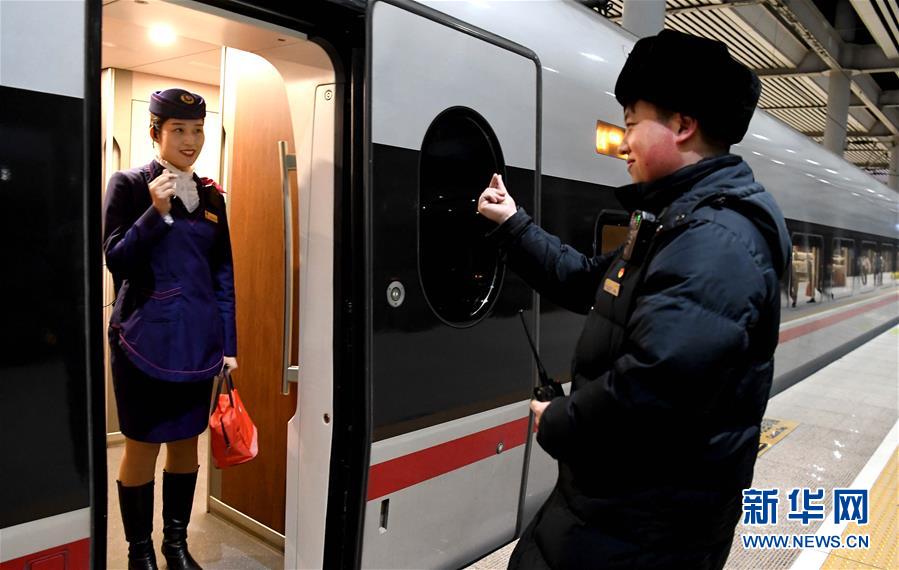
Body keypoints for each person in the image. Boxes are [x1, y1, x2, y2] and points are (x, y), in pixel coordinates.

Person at [478, 30, 790, 569]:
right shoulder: (674, 224)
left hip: (648, 526)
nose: (623, 145)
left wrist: (560, 420)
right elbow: (588, 281)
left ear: (683, 126)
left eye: (630, 125)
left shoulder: (714, 241)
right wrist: (513, 225)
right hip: (620, 509)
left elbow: (655, 387)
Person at [103, 88, 237, 570]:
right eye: (178, 130)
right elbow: (116, 260)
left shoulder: (211, 196)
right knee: (142, 446)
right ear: (155, 132)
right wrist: (154, 214)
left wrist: (228, 344)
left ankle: (175, 546)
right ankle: (139, 553)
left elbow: (223, 276)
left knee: (186, 443)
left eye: (197, 130)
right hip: (143, 340)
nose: (190, 140)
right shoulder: (128, 185)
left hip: (198, 345)